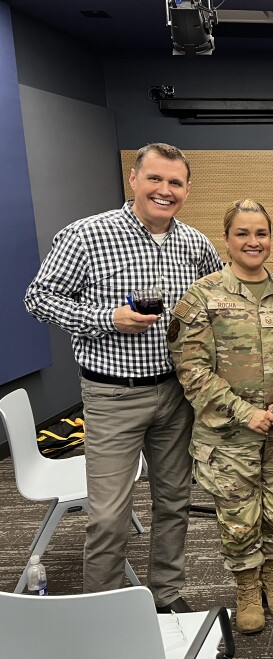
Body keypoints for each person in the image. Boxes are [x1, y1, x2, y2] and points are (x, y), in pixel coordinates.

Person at [24, 143, 223, 612]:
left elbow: (220, 298)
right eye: (155, 179)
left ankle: (165, 596)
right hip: (113, 395)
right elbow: (39, 298)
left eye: (175, 183)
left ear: (187, 190)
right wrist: (107, 319)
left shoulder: (195, 243)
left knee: (173, 502)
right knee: (110, 515)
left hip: (177, 394)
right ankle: (104, 610)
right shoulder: (87, 235)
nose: (164, 190)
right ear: (133, 180)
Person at [168, 199, 273, 633]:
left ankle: (272, 580)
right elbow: (191, 368)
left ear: (270, 239)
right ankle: (245, 588)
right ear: (226, 240)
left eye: (261, 233)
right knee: (239, 520)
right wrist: (244, 412)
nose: (253, 242)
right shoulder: (202, 296)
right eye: (243, 233)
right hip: (227, 436)